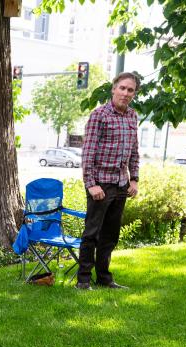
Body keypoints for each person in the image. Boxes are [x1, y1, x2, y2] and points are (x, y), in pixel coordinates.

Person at [77, 71, 141, 290]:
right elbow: (88, 152)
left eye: (130, 90)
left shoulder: (133, 116)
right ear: (114, 89)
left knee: (110, 235)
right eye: (122, 88)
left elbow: (134, 151)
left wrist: (134, 180)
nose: (125, 93)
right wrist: (91, 183)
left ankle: (104, 278)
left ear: (134, 94)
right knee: (92, 234)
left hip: (121, 184)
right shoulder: (99, 115)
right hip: (100, 183)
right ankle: (83, 280)